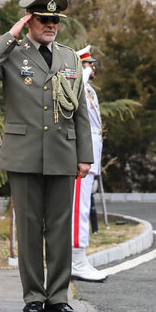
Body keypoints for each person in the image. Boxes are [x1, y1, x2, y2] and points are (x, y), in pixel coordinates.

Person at [0, 0, 94, 312]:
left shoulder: (70, 58)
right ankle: (33, 296)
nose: (52, 25)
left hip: (62, 153)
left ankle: (58, 296)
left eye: (56, 20)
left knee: (59, 228)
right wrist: (11, 35)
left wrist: (85, 155)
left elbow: (80, 110)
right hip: (24, 154)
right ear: (29, 20)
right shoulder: (12, 53)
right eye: (44, 19)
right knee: (28, 229)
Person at [71, 45, 107, 283]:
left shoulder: (90, 90)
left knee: (82, 208)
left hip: (91, 156)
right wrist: (79, 71)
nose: (92, 68)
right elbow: (73, 91)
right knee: (78, 210)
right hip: (79, 157)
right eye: (88, 65)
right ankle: (76, 259)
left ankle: (77, 257)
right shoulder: (79, 85)